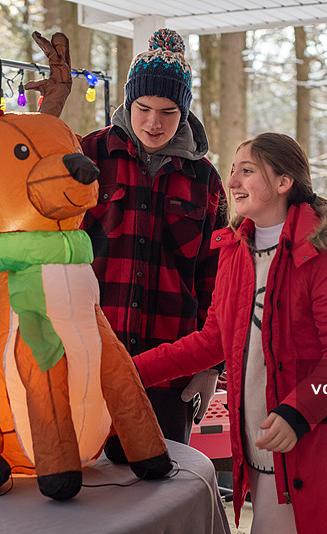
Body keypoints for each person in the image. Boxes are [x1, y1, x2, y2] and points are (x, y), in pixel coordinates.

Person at [132, 133, 327, 534]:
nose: (232, 182)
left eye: (247, 171)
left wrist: (300, 411)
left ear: (284, 182)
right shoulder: (235, 247)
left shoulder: (323, 250)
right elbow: (213, 339)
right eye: (232, 171)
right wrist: (129, 372)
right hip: (261, 447)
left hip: (313, 451)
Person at [77, 28, 228, 453]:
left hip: (169, 374)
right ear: (127, 102)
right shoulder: (88, 158)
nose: (153, 122)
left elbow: (214, 280)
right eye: (143, 108)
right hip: (91, 362)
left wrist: (210, 365)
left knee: (162, 494)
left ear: (185, 110)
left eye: (167, 110)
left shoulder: (207, 181)